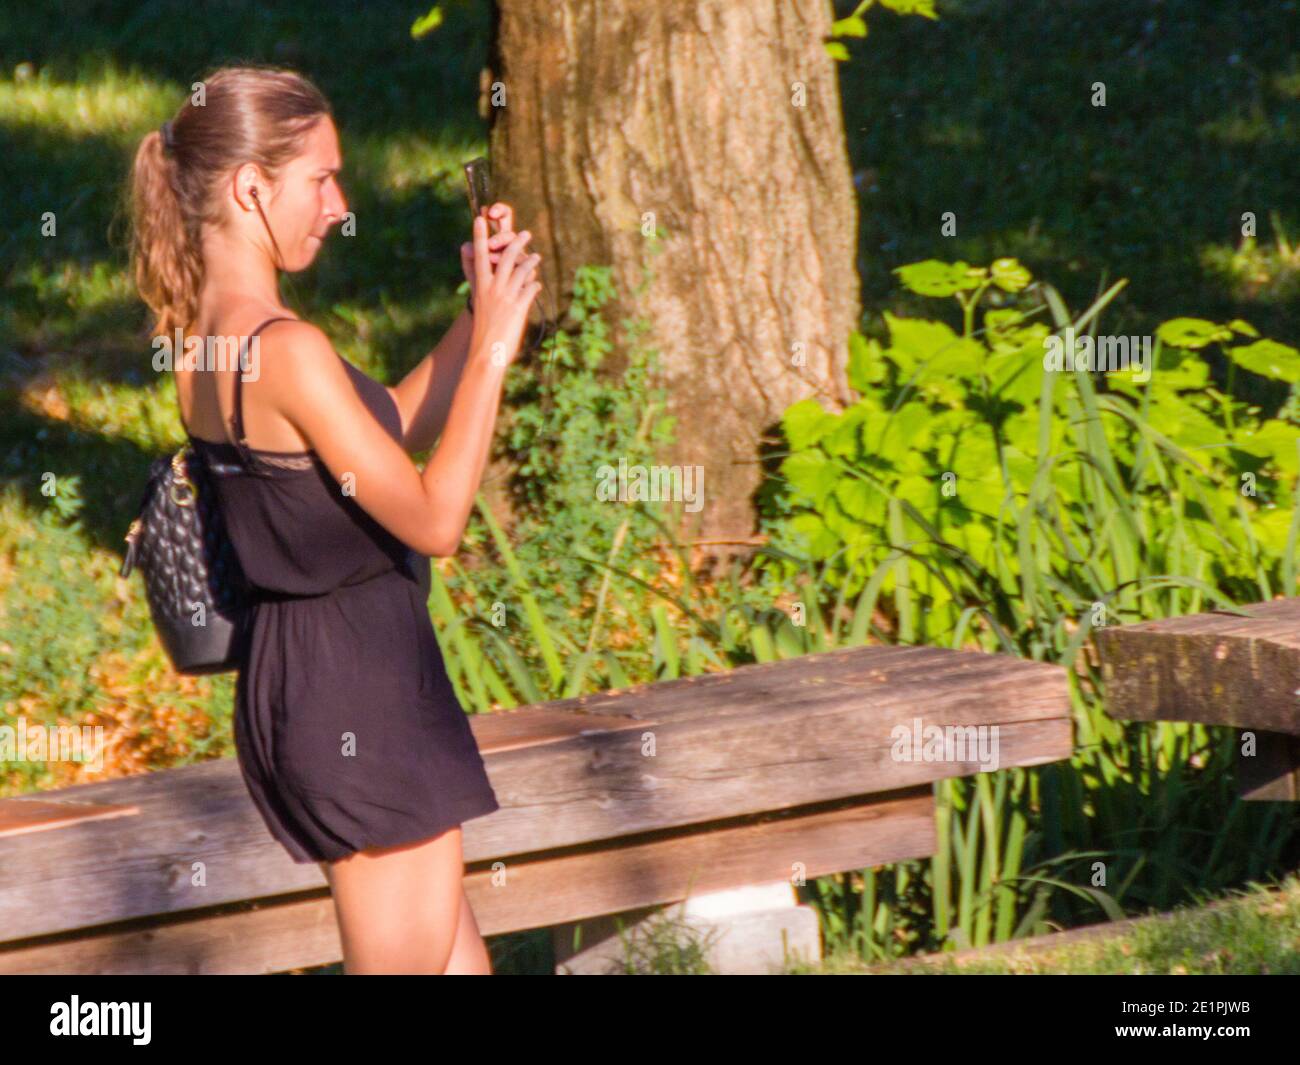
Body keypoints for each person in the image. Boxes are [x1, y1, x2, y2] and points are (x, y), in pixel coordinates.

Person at [126, 65, 541, 974]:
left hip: (306, 678)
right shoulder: (289, 349)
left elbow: (379, 430)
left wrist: (477, 315)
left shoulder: (210, 334)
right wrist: (499, 352)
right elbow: (433, 517)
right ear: (249, 187)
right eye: (319, 178)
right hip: (362, 691)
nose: (338, 202)